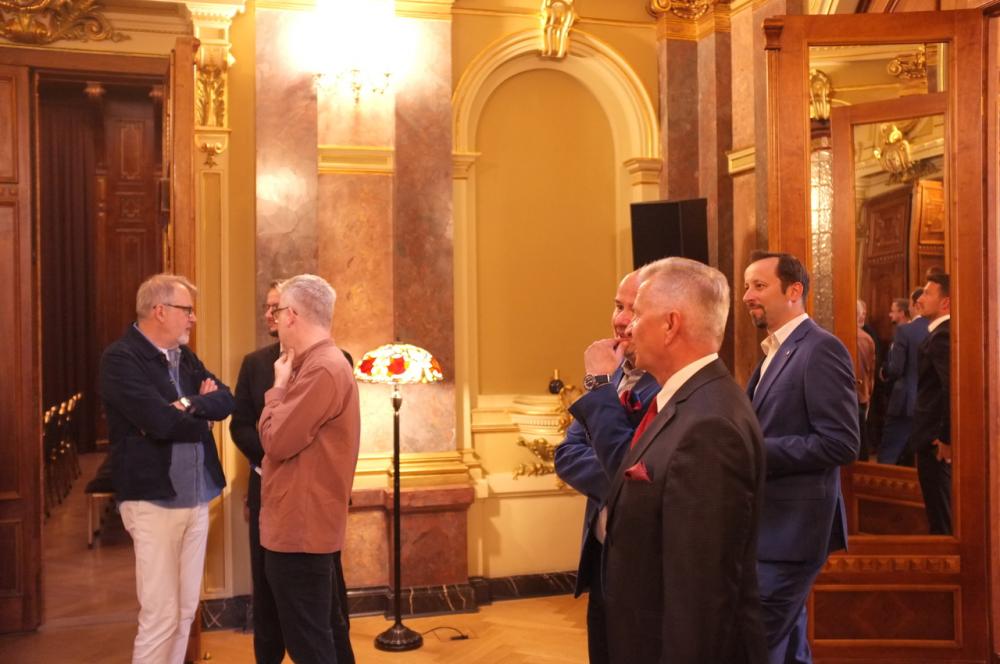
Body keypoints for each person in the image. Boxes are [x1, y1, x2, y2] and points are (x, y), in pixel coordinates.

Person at [599, 257, 767, 664]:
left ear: (670, 325)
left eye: (638, 314)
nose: (628, 327)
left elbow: (700, 597)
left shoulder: (710, 425)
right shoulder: (686, 400)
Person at [99, 273, 234, 664]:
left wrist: (188, 405)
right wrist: (199, 416)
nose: (193, 318)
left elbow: (226, 400)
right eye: (186, 310)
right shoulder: (121, 359)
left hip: (197, 498)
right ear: (159, 310)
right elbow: (159, 422)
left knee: (186, 612)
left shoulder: (184, 356)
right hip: (153, 501)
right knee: (160, 615)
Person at [742, 251, 859, 664]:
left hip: (792, 534)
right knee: (788, 651)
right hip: (768, 529)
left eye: (759, 286)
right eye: (746, 287)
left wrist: (754, 451)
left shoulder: (820, 349)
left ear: (794, 291)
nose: (747, 296)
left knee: (752, 647)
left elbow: (841, 443)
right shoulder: (774, 352)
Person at [231, 282, 357, 664]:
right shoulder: (318, 364)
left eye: (278, 310)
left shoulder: (322, 369)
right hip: (301, 524)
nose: (273, 318)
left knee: (310, 645)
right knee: (324, 635)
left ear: (292, 316)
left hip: (300, 529)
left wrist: (277, 388)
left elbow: (275, 440)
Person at [554, 270, 659, 664]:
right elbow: (567, 455)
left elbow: (640, 474)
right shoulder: (613, 377)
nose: (620, 320)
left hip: (643, 565)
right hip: (602, 555)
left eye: (634, 310)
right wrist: (622, 474)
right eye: (618, 306)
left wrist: (624, 474)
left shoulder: (666, 386)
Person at [908, 273, 951, 534]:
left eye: (927, 293)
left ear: (945, 303)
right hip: (933, 436)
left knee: (941, 516)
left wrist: (946, 438)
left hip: (935, 442)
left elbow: (951, 389)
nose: (920, 299)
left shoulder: (942, 336)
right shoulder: (938, 334)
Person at [879, 297, 928, 465]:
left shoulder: (905, 331)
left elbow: (896, 369)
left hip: (904, 401)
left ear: (915, 305)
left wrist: (884, 371)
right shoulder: (937, 329)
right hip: (928, 402)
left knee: (889, 451)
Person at [855, 301, 876, 461]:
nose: (862, 316)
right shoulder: (865, 339)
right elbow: (870, 371)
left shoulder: (865, 338)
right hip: (861, 395)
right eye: (859, 313)